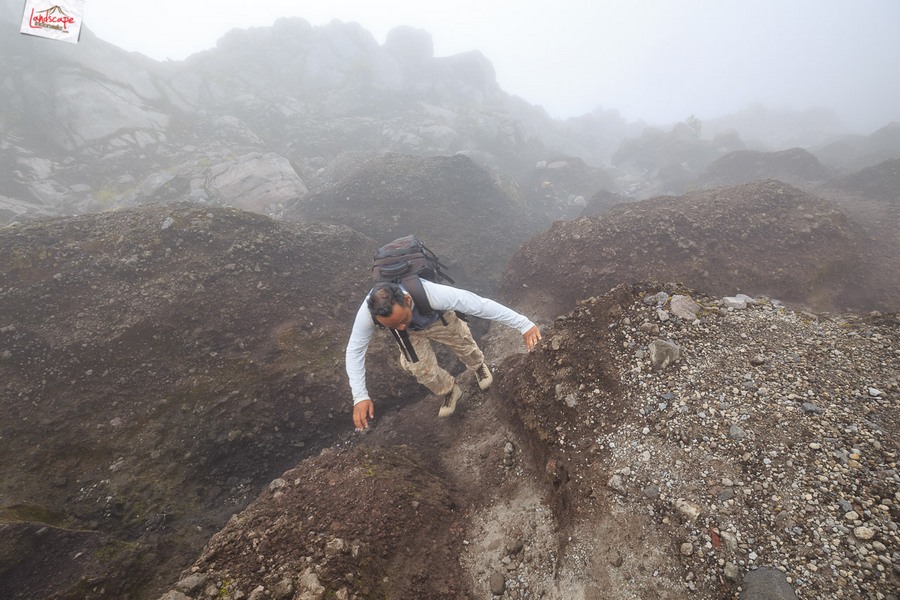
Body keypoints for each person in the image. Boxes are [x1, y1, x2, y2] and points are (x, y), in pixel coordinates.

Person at [345, 279, 541, 430]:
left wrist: (524, 324)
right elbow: (354, 351)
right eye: (393, 325)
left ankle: (478, 366)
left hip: (438, 317)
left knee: (463, 344)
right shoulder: (370, 313)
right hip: (410, 336)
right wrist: (360, 396)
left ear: (407, 300)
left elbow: (481, 305)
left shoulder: (434, 294)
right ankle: (449, 390)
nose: (400, 326)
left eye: (402, 319)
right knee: (419, 368)